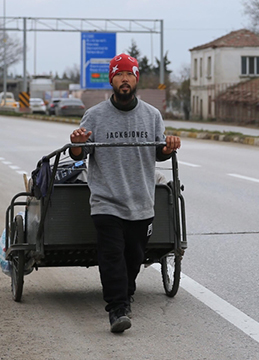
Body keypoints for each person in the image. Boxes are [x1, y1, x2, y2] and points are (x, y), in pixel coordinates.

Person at [69, 53, 181, 333]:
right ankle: (118, 309)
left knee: (134, 256)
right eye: (119, 75)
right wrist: (77, 144)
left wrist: (168, 148)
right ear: (111, 80)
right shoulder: (94, 116)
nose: (124, 79)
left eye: (129, 74)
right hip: (106, 200)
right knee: (111, 255)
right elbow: (79, 156)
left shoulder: (151, 116)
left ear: (136, 79)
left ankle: (126, 294)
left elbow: (159, 153)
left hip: (141, 200)